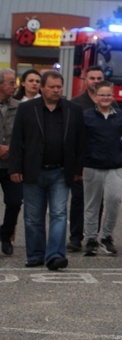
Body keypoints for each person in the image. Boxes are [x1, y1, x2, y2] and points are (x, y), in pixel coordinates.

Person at [9, 70, 86, 270]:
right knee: (33, 216)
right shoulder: (26, 109)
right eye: (51, 87)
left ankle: (55, 256)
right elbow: (17, 140)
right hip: (33, 172)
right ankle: (35, 255)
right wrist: (15, 168)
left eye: (59, 87)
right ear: (42, 88)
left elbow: (80, 142)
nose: (55, 90)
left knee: (59, 214)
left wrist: (78, 169)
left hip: (61, 171)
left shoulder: (73, 110)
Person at [69, 65, 119, 253]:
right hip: (83, 163)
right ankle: (76, 237)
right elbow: (74, 137)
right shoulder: (76, 104)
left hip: (107, 163)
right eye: (92, 78)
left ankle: (97, 237)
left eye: (99, 78)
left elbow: (121, 134)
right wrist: (76, 165)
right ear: (86, 81)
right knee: (79, 200)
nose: (96, 81)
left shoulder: (114, 108)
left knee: (102, 201)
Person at [82, 81, 122, 256]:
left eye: (108, 95)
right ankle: (90, 239)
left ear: (113, 96)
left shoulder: (119, 116)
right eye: (101, 95)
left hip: (114, 166)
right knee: (91, 205)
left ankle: (107, 237)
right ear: (95, 97)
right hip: (91, 166)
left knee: (114, 200)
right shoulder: (86, 116)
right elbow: (78, 140)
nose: (105, 98)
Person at [0, 69, 22, 255]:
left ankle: (6, 236)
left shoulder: (19, 107)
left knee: (14, 202)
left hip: (11, 165)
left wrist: (11, 150)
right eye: (10, 83)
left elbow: (25, 134)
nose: (14, 87)